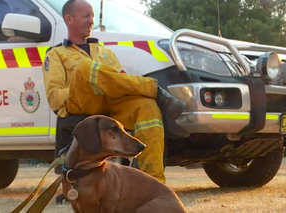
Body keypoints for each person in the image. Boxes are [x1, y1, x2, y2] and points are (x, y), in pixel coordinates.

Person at [42, 0, 185, 184]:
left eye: (92, 16)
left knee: (146, 106)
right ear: (69, 19)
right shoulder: (56, 54)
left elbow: (122, 83)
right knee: (85, 69)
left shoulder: (106, 52)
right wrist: (81, 84)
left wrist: (104, 84)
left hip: (112, 105)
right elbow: (55, 98)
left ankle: (154, 182)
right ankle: (155, 90)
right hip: (79, 104)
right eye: (86, 15)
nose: (91, 20)